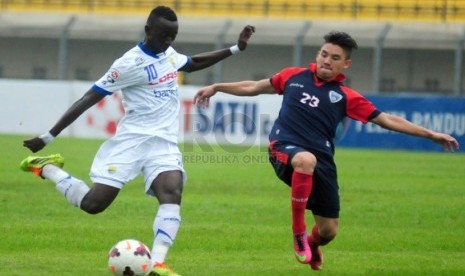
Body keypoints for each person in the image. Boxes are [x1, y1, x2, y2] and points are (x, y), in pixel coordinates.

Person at [193, 31, 460, 270]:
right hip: (283, 149)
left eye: (334, 57)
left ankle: (312, 243)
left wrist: (430, 134)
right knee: (305, 160)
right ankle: (298, 233)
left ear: (346, 64)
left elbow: (387, 119)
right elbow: (253, 87)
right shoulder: (293, 76)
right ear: (317, 55)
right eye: (323, 54)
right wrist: (217, 87)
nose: (326, 60)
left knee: (329, 230)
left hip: (322, 160)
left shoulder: (346, 96)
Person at [20, 6, 255, 276]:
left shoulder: (168, 54)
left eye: (174, 36)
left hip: (163, 144)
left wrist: (235, 48)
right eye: (165, 35)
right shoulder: (128, 64)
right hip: (131, 142)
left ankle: (157, 263)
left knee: (172, 192)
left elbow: (192, 63)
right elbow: (88, 98)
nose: (169, 41)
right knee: (93, 204)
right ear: (148, 31)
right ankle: (47, 167)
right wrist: (48, 136)